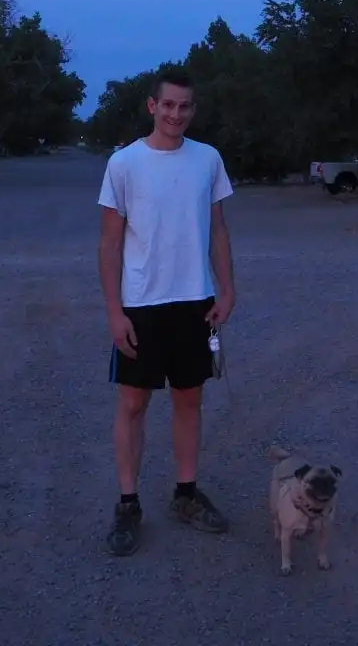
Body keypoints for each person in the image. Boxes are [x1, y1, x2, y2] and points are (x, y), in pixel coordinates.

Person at [96, 67, 237, 557]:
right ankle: (128, 503)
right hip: (142, 306)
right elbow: (110, 244)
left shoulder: (208, 160)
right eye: (169, 105)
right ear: (152, 106)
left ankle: (185, 494)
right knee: (133, 405)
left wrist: (227, 290)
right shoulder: (124, 164)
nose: (177, 114)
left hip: (194, 301)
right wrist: (115, 312)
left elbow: (218, 229)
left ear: (193, 110)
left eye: (186, 106)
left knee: (189, 401)